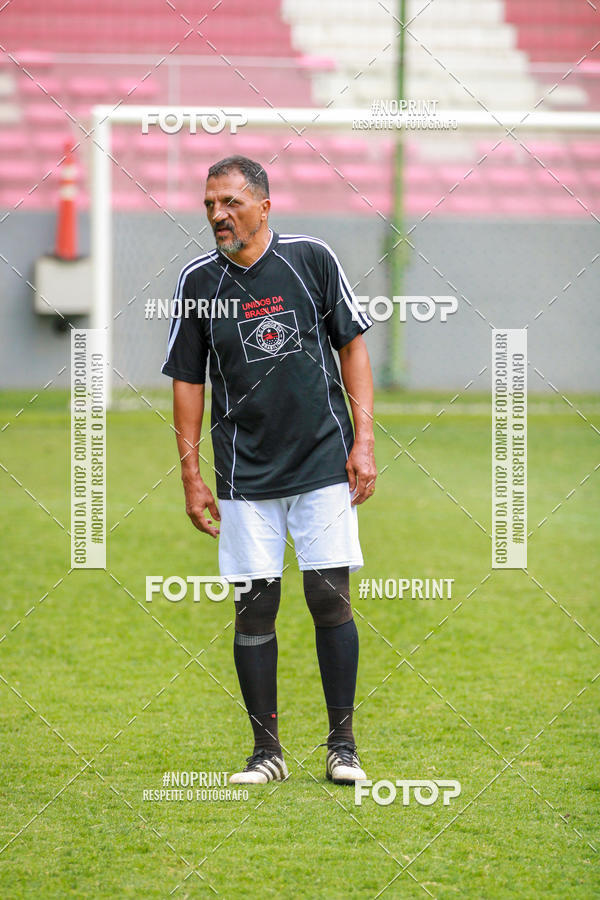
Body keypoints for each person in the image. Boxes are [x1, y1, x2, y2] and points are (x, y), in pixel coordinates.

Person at [162, 155, 376, 785]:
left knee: (328, 597)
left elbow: (352, 348)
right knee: (254, 607)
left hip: (320, 458)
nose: (217, 216)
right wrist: (191, 474)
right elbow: (187, 381)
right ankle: (267, 753)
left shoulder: (312, 258)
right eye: (208, 205)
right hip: (244, 470)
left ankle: (343, 747)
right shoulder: (199, 281)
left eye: (229, 202)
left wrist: (364, 440)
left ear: (263, 205)